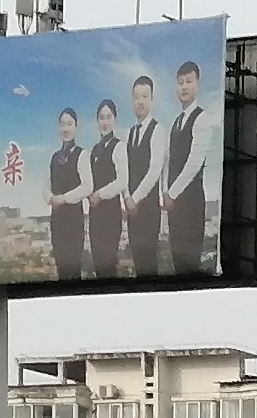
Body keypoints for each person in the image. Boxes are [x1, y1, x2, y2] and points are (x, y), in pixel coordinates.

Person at [157, 58, 212, 277]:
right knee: (177, 262)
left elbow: (194, 162)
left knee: (189, 265)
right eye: (180, 82)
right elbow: (167, 161)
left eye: (188, 81)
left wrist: (172, 192)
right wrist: (164, 192)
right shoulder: (176, 122)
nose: (184, 87)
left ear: (197, 84)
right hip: (174, 205)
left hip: (190, 202)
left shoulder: (202, 118)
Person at [117, 70, 163, 278]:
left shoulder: (157, 130)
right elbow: (124, 169)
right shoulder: (130, 133)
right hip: (132, 209)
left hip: (148, 209)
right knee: (137, 261)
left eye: (145, 96)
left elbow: (155, 170)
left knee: (148, 262)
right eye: (136, 97)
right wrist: (127, 198)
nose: (140, 102)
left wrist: (134, 199)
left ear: (152, 99)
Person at [82, 100, 126, 278]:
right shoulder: (95, 150)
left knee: (108, 262)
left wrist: (100, 195)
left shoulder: (119, 146)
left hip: (110, 213)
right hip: (95, 215)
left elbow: (122, 180)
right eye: (101, 118)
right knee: (98, 262)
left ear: (114, 119)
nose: (105, 122)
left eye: (108, 117)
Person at [45, 109, 89, 279]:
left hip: (73, 219)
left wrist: (64, 198)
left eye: (69, 124)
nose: (66, 128)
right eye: (62, 124)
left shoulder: (82, 155)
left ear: (76, 127)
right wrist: (50, 198)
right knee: (61, 266)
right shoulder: (54, 157)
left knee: (73, 266)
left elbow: (88, 186)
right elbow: (46, 185)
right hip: (57, 219)